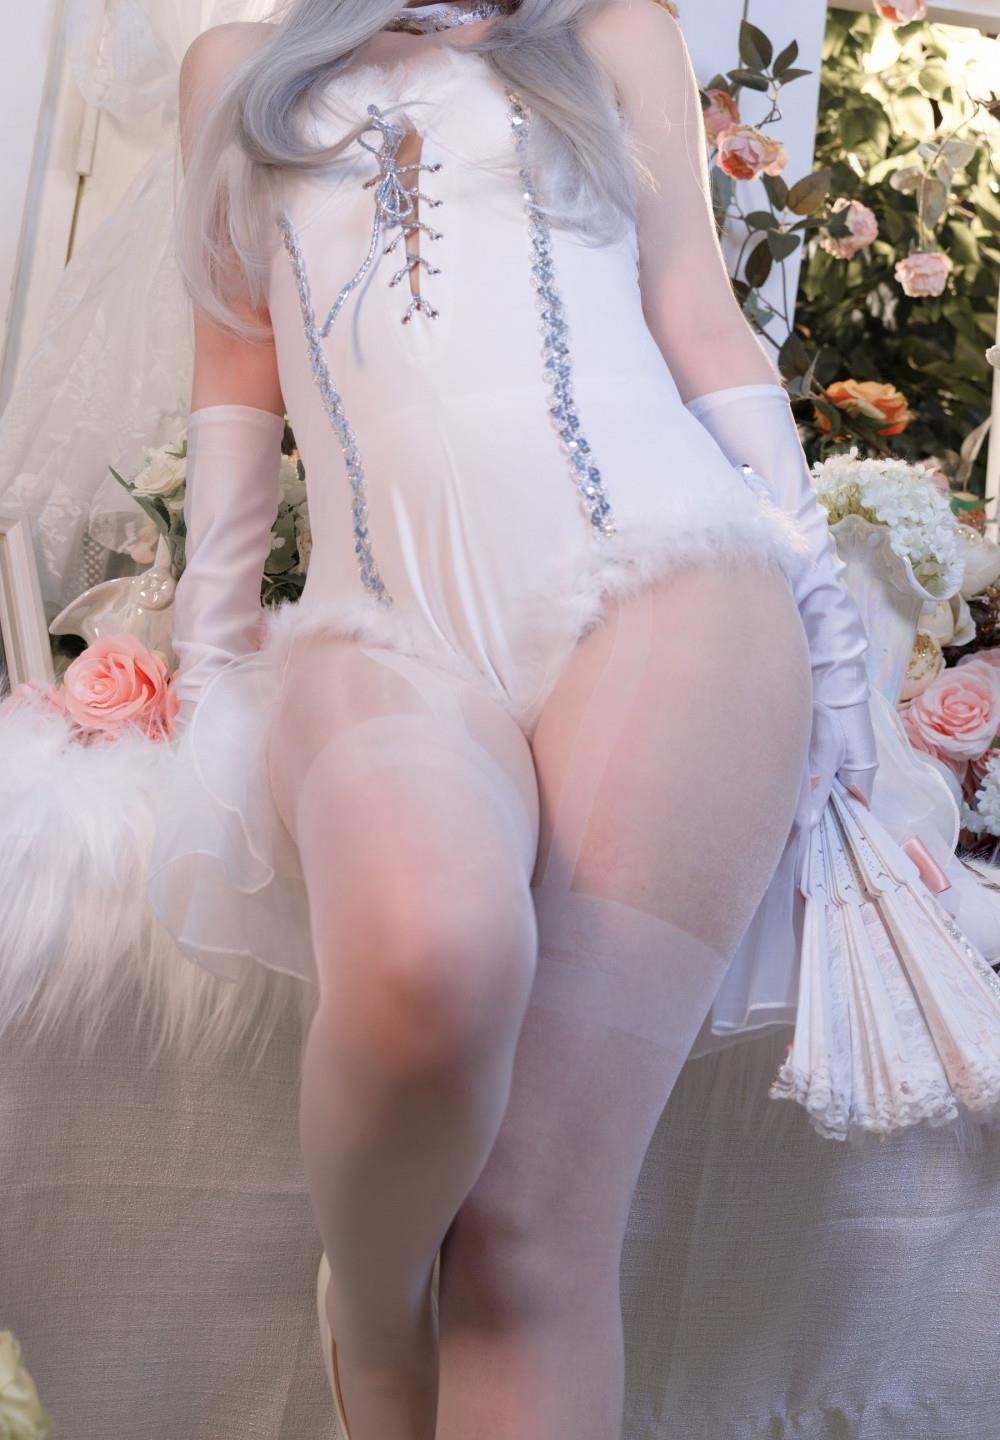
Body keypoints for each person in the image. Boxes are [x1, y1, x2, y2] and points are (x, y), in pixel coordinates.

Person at [106, 0, 995, 1436]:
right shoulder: (238, 70)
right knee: (431, 958)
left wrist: (832, 643)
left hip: (674, 582)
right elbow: (233, 392)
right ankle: (374, 1310)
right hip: (380, 623)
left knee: (530, 1220)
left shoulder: (615, 32)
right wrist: (205, 673)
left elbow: (700, 327)